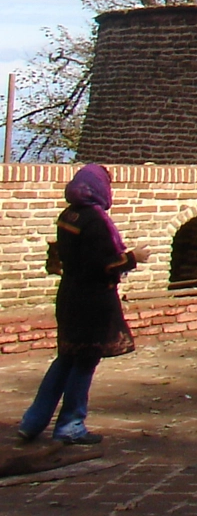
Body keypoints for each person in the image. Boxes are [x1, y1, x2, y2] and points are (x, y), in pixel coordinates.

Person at [19, 164, 146, 445]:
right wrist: (134, 257)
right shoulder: (94, 220)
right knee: (85, 361)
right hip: (92, 300)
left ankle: (33, 421)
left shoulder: (69, 215)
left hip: (70, 294)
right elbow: (102, 264)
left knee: (66, 358)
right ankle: (70, 424)